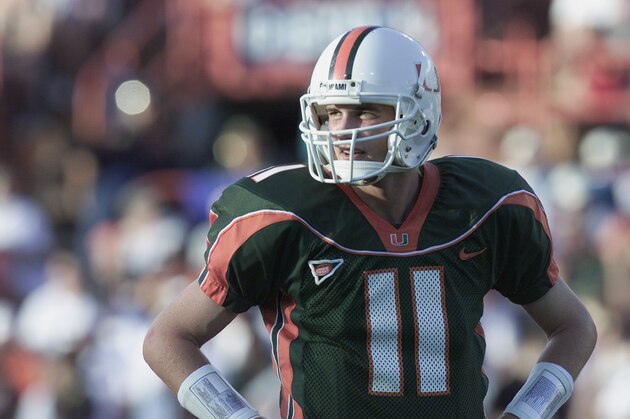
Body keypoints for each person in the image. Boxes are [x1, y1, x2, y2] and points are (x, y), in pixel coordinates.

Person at [143, 26, 597, 419]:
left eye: (365, 110)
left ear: (418, 114)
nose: (342, 130)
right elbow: (168, 339)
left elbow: (575, 327)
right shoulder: (280, 213)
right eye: (330, 113)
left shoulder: (486, 205)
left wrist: (526, 411)